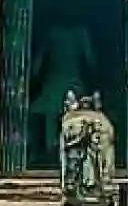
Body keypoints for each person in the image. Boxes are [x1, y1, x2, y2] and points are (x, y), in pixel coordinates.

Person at [30, 22, 95, 165]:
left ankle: (53, 154)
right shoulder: (79, 34)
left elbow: (37, 64)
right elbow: (90, 61)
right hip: (71, 83)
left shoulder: (54, 33)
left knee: (52, 119)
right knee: (74, 120)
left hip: (55, 83)